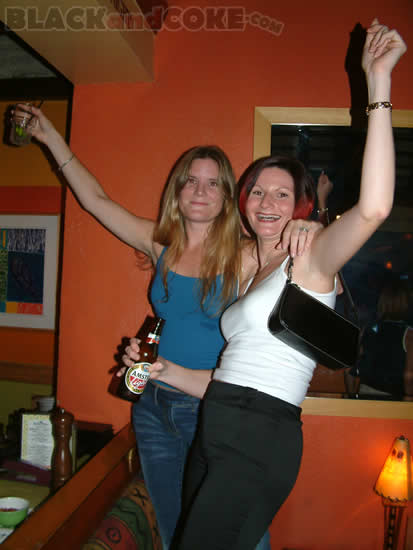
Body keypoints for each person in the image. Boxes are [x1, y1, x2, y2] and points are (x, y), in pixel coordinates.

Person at [123, 18, 406, 550]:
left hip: (259, 434)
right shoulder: (249, 266)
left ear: (300, 204)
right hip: (216, 420)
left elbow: (374, 207)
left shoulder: (311, 259)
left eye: (282, 194)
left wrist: (379, 81)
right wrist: (161, 369)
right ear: (244, 203)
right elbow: (230, 370)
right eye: (257, 191)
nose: (267, 202)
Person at [21, 104, 320, 550]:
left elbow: (298, 251)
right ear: (177, 191)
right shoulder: (159, 243)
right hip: (152, 406)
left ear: (228, 197)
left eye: (213, 183)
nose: (200, 191)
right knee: (173, 531)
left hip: (209, 407)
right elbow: (95, 201)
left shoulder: (246, 254)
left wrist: (308, 226)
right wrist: (50, 137)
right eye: (190, 181)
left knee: (237, 534)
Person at [353, 278, 413, 399]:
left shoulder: (368, 329)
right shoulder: (409, 334)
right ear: (407, 303)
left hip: (365, 393)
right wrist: (409, 399)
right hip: (392, 398)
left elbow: (354, 367)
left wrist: (353, 395)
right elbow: (408, 375)